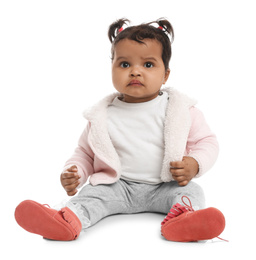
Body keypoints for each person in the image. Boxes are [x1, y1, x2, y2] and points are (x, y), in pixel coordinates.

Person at [15, 18, 226, 242]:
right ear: (112, 68)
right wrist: (75, 172)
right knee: (91, 196)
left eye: (148, 64)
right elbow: (85, 153)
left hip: (165, 187)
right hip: (117, 187)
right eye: (125, 64)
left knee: (192, 193)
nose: (135, 72)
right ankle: (67, 221)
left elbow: (207, 143)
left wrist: (195, 163)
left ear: (165, 75)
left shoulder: (181, 110)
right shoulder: (102, 115)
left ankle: (182, 221)